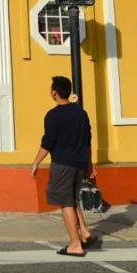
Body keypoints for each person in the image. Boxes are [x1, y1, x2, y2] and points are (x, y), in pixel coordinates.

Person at [31, 76, 98, 257]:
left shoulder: (53, 115)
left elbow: (48, 142)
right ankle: (84, 232)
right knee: (71, 198)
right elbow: (88, 141)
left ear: (54, 93)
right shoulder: (81, 113)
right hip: (79, 164)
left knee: (65, 202)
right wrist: (89, 164)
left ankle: (75, 244)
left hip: (62, 164)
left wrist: (36, 162)